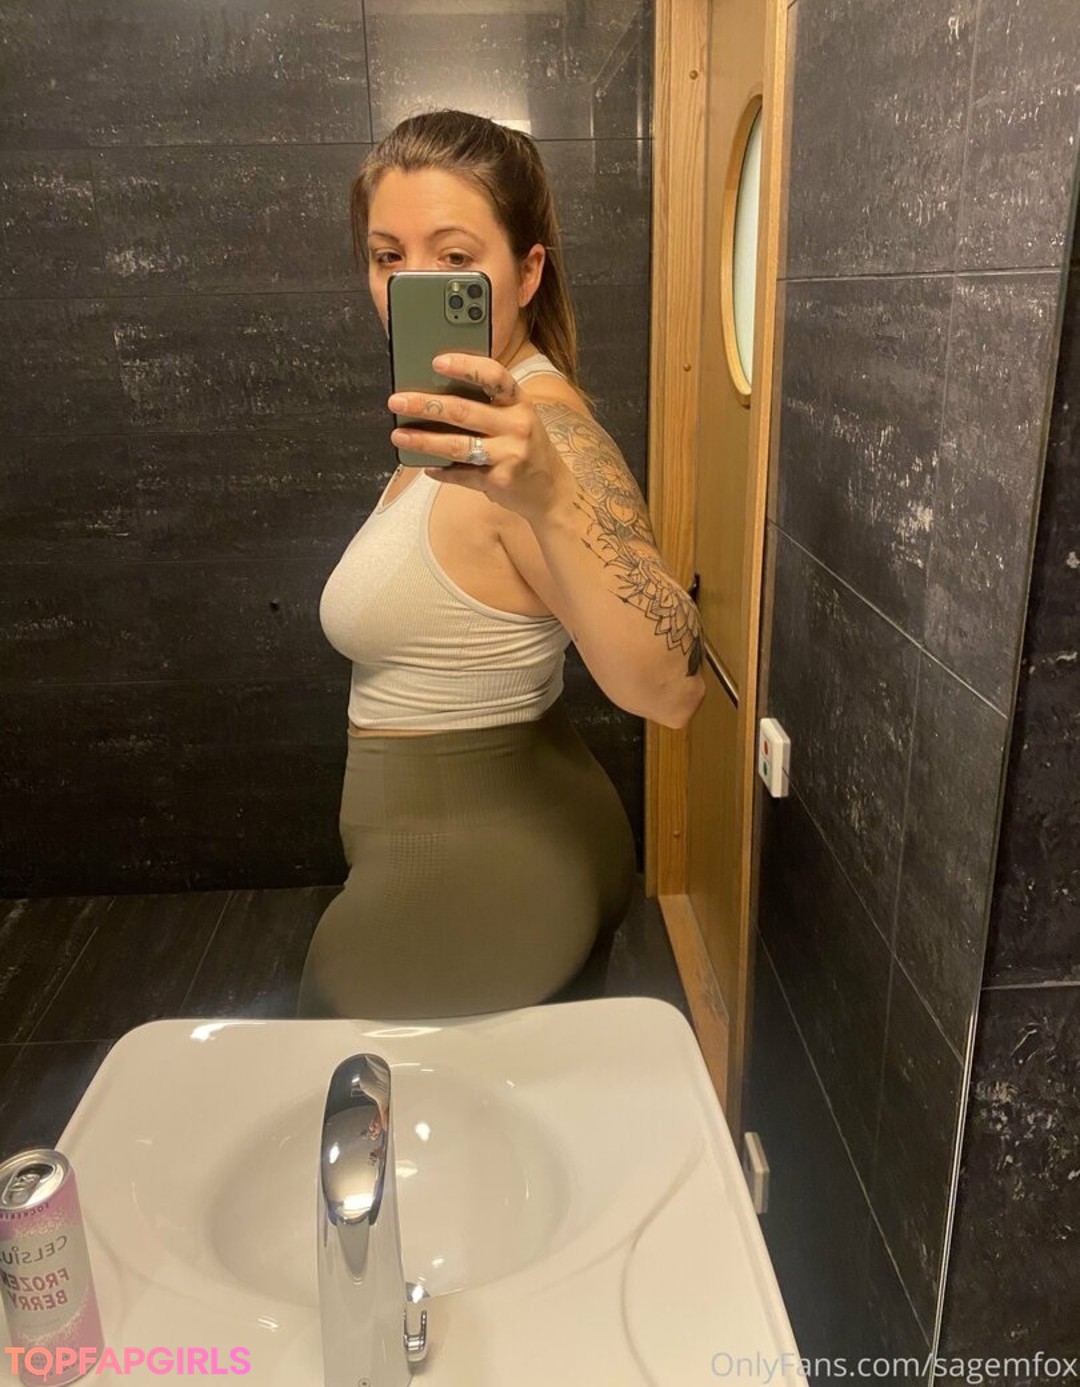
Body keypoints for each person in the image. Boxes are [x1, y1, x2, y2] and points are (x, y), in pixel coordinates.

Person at [297, 110, 704, 1020]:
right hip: (474, 847)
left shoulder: (545, 436)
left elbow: (676, 690)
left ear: (526, 272)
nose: (409, 285)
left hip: (484, 870)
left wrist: (551, 494)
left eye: (453, 257)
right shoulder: (456, 413)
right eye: (387, 256)